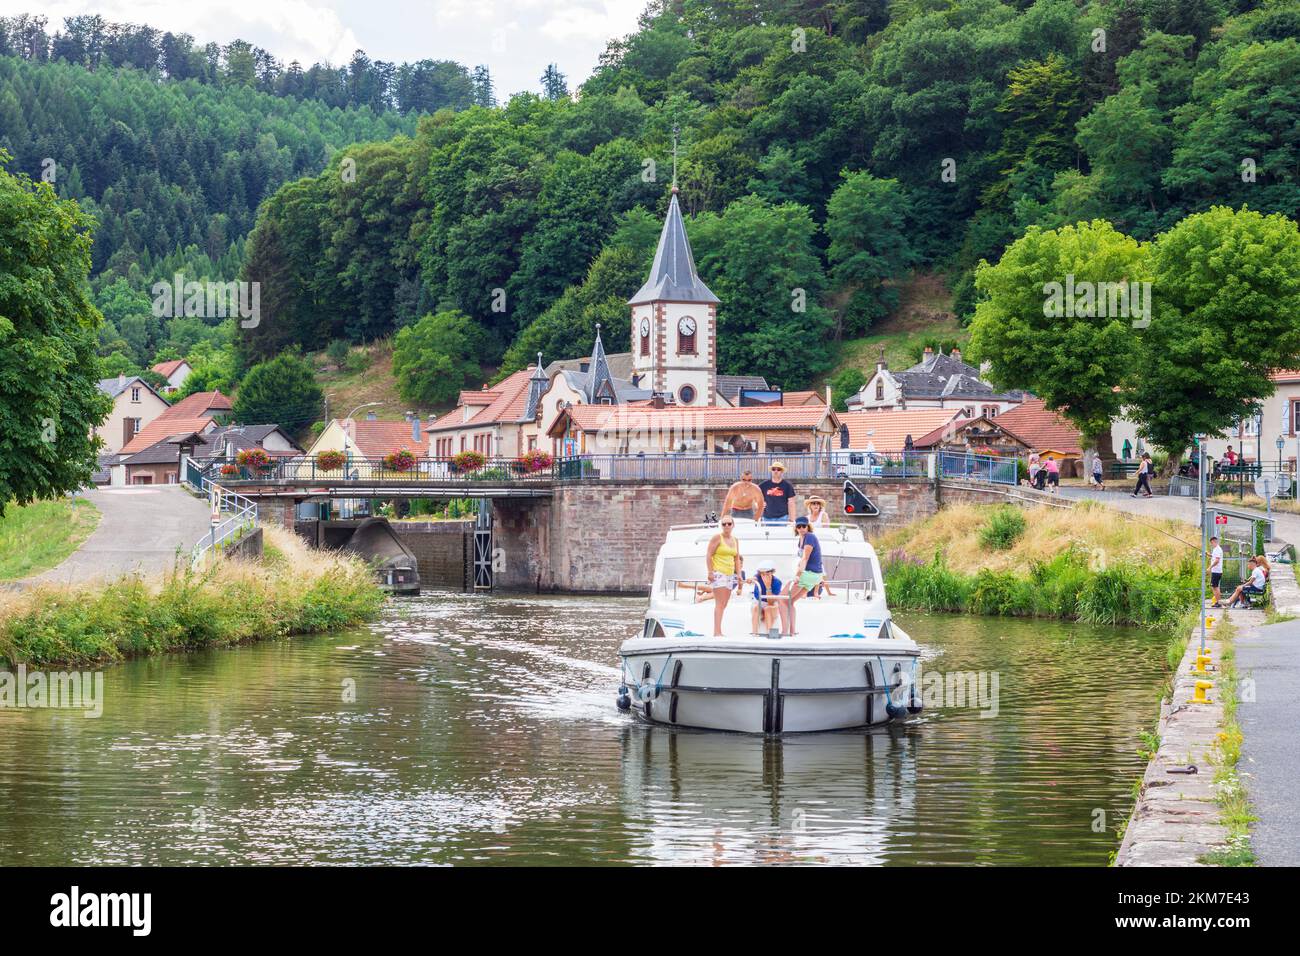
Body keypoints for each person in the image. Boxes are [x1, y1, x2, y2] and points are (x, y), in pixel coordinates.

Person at [705, 517, 744, 636]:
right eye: (724, 524)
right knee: (719, 603)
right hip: (719, 572)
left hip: (730, 574)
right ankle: (717, 632)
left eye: (729, 523)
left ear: (733, 525)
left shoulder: (735, 540)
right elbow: (708, 555)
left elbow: (736, 558)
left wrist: (739, 574)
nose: (726, 525)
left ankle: (718, 631)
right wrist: (710, 572)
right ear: (721, 525)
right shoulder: (717, 538)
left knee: (725, 603)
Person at [788, 517, 825, 634]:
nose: (801, 529)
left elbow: (805, 558)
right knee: (790, 602)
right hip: (813, 575)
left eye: (803, 526)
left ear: (808, 526)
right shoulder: (801, 539)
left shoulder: (809, 537)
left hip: (809, 573)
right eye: (799, 526)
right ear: (796, 528)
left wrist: (797, 576)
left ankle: (785, 631)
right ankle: (792, 630)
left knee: (783, 601)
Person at [747, 562, 789, 637]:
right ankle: (754, 633)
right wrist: (750, 580)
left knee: (768, 609)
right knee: (756, 607)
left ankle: (770, 634)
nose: (764, 576)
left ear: (772, 573)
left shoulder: (777, 582)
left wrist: (768, 586)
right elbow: (753, 578)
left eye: (767, 574)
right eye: (762, 574)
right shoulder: (758, 577)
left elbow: (770, 602)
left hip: (771, 604)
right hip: (758, 602)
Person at [1208, 536, 1223, 608]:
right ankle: (1218, 601)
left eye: (1211, 543)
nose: (1211, 544)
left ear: (1214, 541)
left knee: (1215, 587)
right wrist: (1209, 555)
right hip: (1217, 571)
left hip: (1216, 571)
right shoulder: (1217, 549)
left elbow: (1217, 560)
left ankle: (1218, 602)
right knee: (1215, 587)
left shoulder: (1217, 549)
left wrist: (1210, 567)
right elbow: (1215, 557)